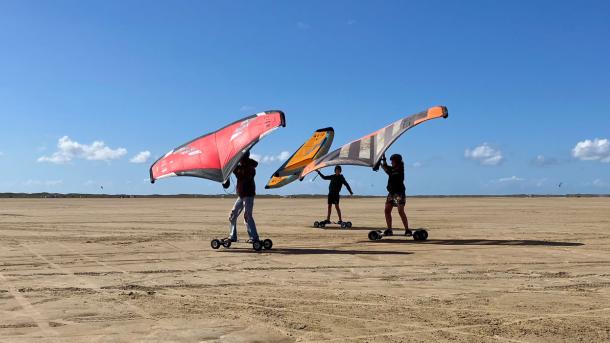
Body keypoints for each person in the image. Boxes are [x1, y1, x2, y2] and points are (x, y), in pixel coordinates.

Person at [224, 151, 259, 242]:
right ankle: (232, 236)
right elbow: (238, 171)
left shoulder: (250, 167)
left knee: (247, 216)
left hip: (248, 195)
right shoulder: (240, 167)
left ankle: (254, 237)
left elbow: (242, 174)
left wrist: (234, 167)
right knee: (232, 215)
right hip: (241, 195)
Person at [380, 153, 411, 236]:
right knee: (387, 211)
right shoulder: (392, 169)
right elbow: (385, 167)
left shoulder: (400, 169)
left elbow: (386, 169)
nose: (391, 162)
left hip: (399, 193)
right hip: (391, 193)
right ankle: (389, 229)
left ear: (396, 161)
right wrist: (382, 159)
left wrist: (383, 164)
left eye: (392, 161)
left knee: (400, 211)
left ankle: (407, 229)